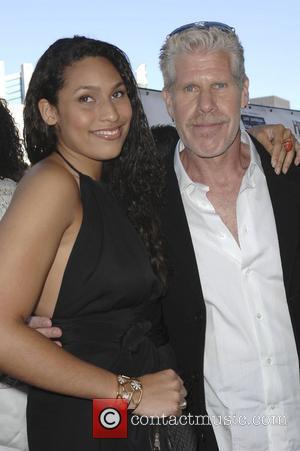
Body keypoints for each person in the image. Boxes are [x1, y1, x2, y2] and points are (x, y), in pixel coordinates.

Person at [0, 36, 195, 451]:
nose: (110, 112)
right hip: (91, 415)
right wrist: (130, 392)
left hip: (121, 411)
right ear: (49, 111)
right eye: (86, 98)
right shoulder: (51, 184)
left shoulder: (107, 184)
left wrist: (263, 142)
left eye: (118, 94)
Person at [158, 21, 300, 449]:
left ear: (244, 91)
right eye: (189, 89)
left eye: (219, 85)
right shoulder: (144, 204)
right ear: (167, 100)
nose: (206, 106)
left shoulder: (290, 180)